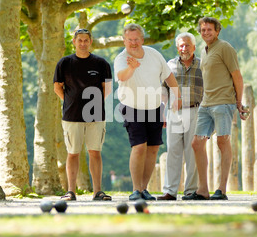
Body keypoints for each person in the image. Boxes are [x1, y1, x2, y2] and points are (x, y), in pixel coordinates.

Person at [114, 23, 182, 201]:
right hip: (131, 106)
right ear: (124, 40)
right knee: (139, 147)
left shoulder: (153, 54)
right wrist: (132, 68)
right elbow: (122, 77)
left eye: (136, 39)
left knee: (153, 149)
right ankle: (136, 190)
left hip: (154, 107)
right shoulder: (122, 58)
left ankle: (144, 189)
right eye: (129, 40)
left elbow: (168, 75)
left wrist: (178, 96)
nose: (133, 43)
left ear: (142, 40)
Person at [186, 17, 248, 201]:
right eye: (203, 30)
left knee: (222, 142)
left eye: (209, 30)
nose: (206, 32)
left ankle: (221, 189)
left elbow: (237, 76)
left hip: (223, 102)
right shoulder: (205, 51)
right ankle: (203, 190)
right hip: (206, 103)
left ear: (217, 31)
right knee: (197, 143)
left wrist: (239, 102)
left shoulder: (225, 48)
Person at [53, 28, 113, 201]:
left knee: (95, 152)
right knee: (72, 152)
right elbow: (57, 87)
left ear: (90, 42)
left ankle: (97, 192)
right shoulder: (64, 63)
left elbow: (106, 89)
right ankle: (71, 191)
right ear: (74, 42)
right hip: (71, 115)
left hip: (96, 115)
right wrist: (70, 100)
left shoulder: (101, 64)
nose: (83, 43)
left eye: (86, 40)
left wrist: (93, 103)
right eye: (79, 40)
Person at [157, 32, 203, 201]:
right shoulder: (169, 65)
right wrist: (162, 112)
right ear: (177, 47)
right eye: (181, 45)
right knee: (173, 151)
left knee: (192, 152)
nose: (184, 48)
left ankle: (191, 191)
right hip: (174, 112)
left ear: (194, 47)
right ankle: (170, 191)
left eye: (187, 45)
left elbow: (208, 90)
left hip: (195, 111)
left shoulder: (202, 65)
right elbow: (163, 91)